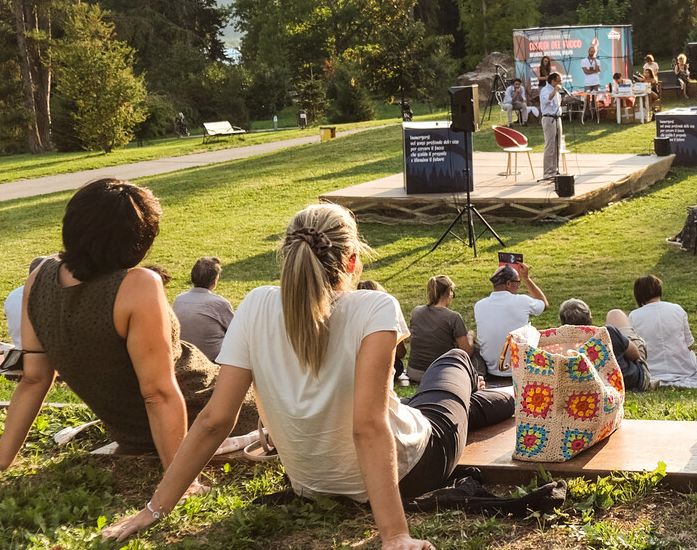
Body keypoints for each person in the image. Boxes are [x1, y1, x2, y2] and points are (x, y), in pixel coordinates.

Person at [100, 203, 521, 549]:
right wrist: (395, 535)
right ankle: (511, 395)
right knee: (452, 363)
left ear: (287, 251)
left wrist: (151, 511)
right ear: (353, 260)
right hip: (414, 465)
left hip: (311, 483)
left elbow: (213, 420)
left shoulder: (254, 304)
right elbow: (368, 427)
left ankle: (501, 399)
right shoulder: (374, 307)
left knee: (442, 401)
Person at [0, 179, 258, 482]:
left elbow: (35, 378)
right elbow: (157, 394)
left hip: (135, 433)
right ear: (139, 240)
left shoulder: (39, 277)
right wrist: (181, 481)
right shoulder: (139, 285)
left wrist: (0, 458)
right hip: (212, 415)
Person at [472, 265, 548, 384]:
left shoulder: (479, 306)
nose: (519, 286)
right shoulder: (522, 301)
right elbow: (544, 304)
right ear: (508, 284)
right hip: (519, 370)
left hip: (490, 371)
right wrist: (527, 278)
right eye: (518, 282)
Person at [556, 298, 649, 393]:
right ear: (590, 319)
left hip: (601, 387)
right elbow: (636, 355)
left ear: (563, 325)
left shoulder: (562, 349)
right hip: (632, 381)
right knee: (615, 315)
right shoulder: (607, 333)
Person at [627, 274, 697, 388]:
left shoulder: (634, 316)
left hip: (652, 369)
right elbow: (690, 345)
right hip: (682, 368)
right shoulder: (677, 309)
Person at [405, 275, 472, 385]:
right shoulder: (453, 317)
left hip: (414, 372)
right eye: (452, 292)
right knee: (476, 350)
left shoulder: (416, 312)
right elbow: (467, 351)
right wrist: (470, 336)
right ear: (448, 292)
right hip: (439, 374)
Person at [173, 257, 234, 363]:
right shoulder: (220, 304)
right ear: (215, 280)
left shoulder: (179, 299)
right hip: (212, 361)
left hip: (182, 359)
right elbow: (235, 331)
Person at [537, 72, 564, 178]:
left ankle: (555, 169)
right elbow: (545, 100)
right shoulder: (545, 90)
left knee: (557, 145)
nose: (560, 83)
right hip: (549, 119)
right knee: (550, 145)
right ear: (552, 81)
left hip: (557, 118)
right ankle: (547, 172)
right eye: (558, 81)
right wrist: (555, 91)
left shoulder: (556, 91)